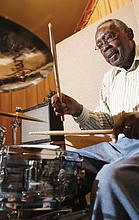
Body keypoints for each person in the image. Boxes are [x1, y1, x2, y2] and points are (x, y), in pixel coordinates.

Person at [51, 18, 139, 219]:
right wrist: (77, 110)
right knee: (68, 165)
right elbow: (107, 123)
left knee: (109, 178)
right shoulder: (109, 79)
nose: (105, 47)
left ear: (130, 34)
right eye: (99, 45)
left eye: (110, 37)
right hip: (117, 146)